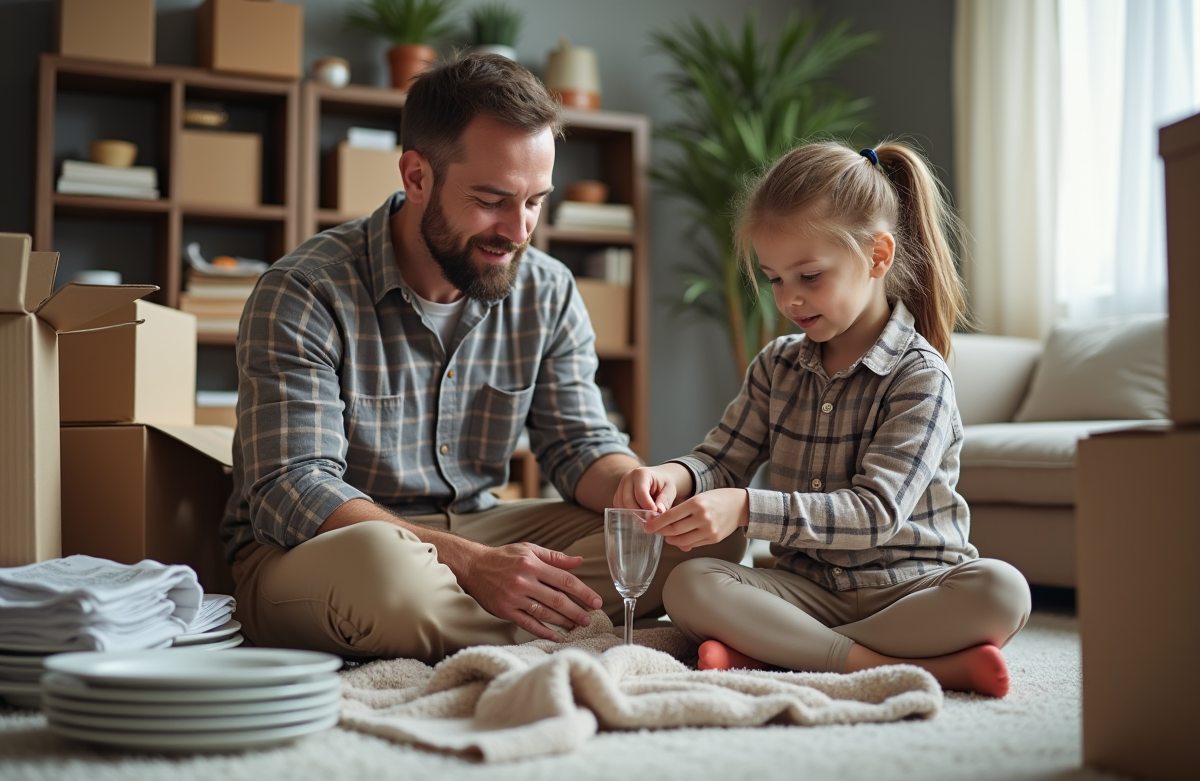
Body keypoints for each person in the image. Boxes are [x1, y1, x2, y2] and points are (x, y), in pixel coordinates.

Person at [218, 54, 745, 663]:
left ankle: (493, 618)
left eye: (535, 202)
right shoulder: (305, 290)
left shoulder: (547, 289)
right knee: (386, 575)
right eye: (492, 199)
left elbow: (579, 445)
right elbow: (293, 488)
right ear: (417, 176)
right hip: (328, 549)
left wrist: (632, 486)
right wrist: (468, 564)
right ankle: (561, 628)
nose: (518, 230)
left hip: (478, 528)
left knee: (702, 543)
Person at [614, 141, 1031, 698]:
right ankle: (889, 663)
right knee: (690, 584)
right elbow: (721, 459)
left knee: (1003, 590)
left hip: (909, 586)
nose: (789, 299)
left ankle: (782, 651)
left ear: (877, 257)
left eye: (809, 276)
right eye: (774, 278)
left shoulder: (921, 376)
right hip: (804, 586)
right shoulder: (776, 365)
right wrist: (674, 476)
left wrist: (745, 508)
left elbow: (877, 512)